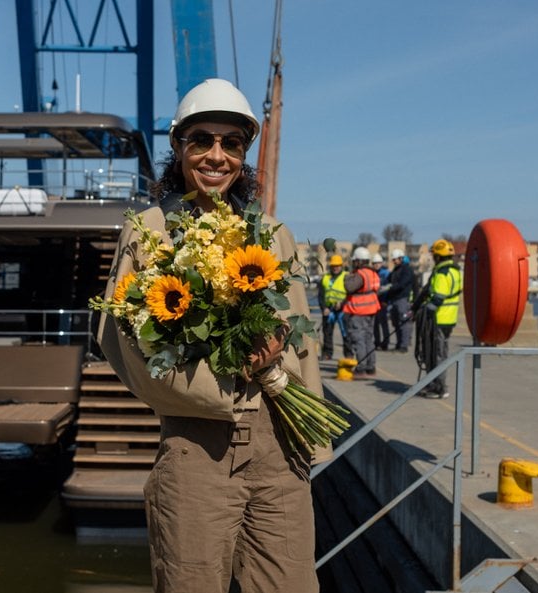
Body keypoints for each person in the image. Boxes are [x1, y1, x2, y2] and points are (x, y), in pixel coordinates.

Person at [99, 78, 326, 593]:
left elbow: (301, 343)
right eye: (201, 139)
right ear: (179, 148)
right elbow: (127, 340)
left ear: (244, 154)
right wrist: (232, 376)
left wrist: (283, 373)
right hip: (196, 448)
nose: (216, 156)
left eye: (231, 143)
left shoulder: (271, 232)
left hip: (278, 449)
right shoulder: (150, 230)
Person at [413, 239, 463, 398]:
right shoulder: (455, 271)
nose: (433, 258)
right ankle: (435, 384)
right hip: (449, 318)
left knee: (436, 354)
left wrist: (423, 310)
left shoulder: (442, 273)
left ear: (439, 256)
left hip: (438, 319)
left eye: (435, 255)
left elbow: (438, 298)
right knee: (440, 352)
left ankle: (438, 387)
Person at [342, 246, 381, 377]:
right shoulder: (372, 273)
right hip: (371, 309)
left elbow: (349, 287)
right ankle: (371, 367)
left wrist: (347, 277)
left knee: (358, 339)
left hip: (359, 311)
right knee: (368, 338)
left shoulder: (359, 274)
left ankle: (361, 368)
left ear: (358, 261)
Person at [317, 254, 347, 360]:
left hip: (343, 309)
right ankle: (327, 354)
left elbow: (350, 294)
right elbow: (320, 295)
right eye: (333, 265)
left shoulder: (346, 276)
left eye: (337, 265)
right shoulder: (325, 278)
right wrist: (323, 308)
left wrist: (342, 303)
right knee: (327, 332)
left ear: (341, 266)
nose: (335, 268)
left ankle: (348, 355)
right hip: (329, 310)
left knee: (346, 332)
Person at [385, 248, 414, 352]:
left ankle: (404, 345)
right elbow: (388, 282)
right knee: (396, 323)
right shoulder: (395, 270)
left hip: (402, 299)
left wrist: (391, 287)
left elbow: (402, 284)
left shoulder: (406, 270)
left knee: (403, 322)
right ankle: (398, 343)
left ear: (401, 258)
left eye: (395, 259)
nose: (394, 261)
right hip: (394, 299)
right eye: (393, 259)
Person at [371, 253, 390, 351]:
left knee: (384, 323)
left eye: (378, 263)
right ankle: (377, 342)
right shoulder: (371, 273)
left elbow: (389, 288)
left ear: (381, 263)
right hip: (373, 302)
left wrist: (386, 300)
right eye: (375, 263)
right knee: (375, 324)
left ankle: (385, 342)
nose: (376, 265)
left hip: (383, 301)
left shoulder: (386, 273)